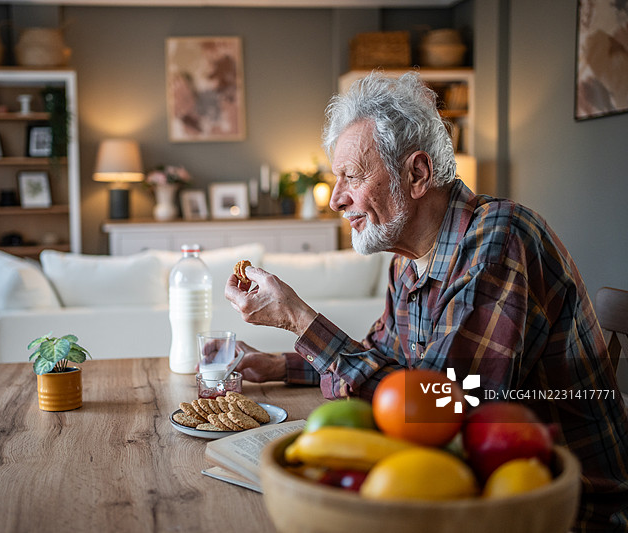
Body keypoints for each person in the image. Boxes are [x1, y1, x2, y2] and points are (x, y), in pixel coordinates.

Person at [225, 72, 627, 532]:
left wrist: (299, 318)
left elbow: (440, 410)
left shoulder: (499, 240)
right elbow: (383, 362)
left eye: (351, 176)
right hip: (476, 492)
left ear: (416, 174)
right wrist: (278, 366)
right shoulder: (408, 257)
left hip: (564, 512)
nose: (336, 199)